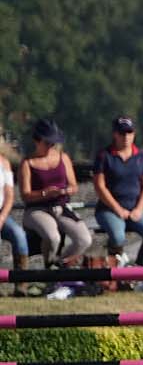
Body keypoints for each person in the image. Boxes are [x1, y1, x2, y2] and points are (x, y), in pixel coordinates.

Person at [18, 119, 91, 267]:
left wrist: (66, 190)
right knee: (53, 237)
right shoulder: (27, 163)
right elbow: (25, 195)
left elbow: (74, 185)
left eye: (53, 143)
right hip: (37, 209)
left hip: (61, 206)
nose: (51, 147)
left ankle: (61, 263)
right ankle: (48, 267)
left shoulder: (63, 157)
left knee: (84, 239)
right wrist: (44, 194)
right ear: (37, 141)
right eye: (47, 143)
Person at [92, 115, 143, 265]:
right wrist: (117, 209)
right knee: (118, 236)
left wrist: (139, 208)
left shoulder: (141, 156)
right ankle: (114, 269)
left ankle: (141, 267)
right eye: (122, 133)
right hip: (109, 209)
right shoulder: (104, 156)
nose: (126, 137)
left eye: (129, 133)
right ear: (114, 134)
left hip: (135, 208)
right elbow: (100, 186)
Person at [0, 144, 29, 284]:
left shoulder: (4, 163)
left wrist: (2, 217)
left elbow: (9, 195)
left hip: (1, 213)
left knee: (19, 235)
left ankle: (21, 283)